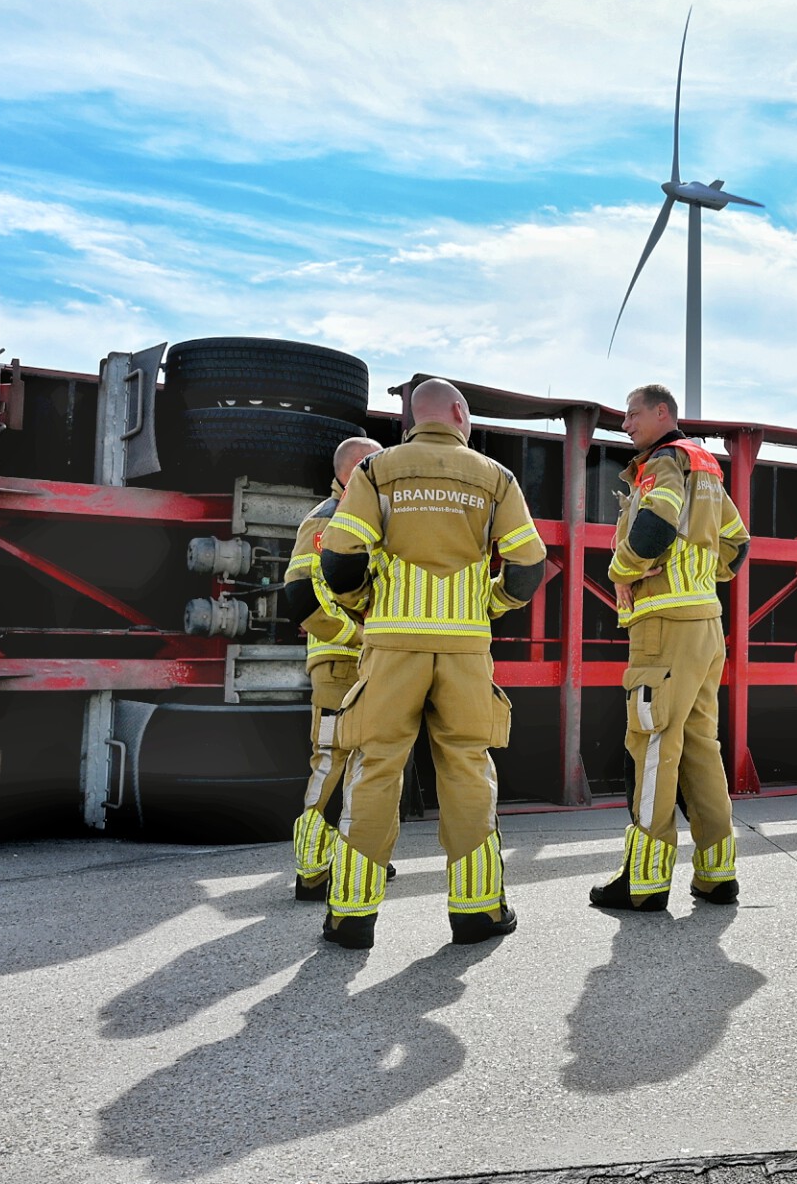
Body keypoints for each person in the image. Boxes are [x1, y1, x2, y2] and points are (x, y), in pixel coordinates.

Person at [315, 379, 548, 949]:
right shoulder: (497, 478)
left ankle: (351, 916)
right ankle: (476, 912)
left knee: (375, 769)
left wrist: (367, 602)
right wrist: (488, 602)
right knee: (468, 769)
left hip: (391, 646)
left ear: (411, 421)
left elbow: (340, 559)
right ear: (461, 415)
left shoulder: (377, 472)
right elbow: (527, 566)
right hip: (466, 650)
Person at [590, 383, 750, 912]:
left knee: (653, 743)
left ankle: (645, 881)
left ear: (663, 413)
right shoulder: (705, 467)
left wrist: (623, 572)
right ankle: (716, 874)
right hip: (707, 623)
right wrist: (701, 574)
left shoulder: (662, 464)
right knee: (702, 745)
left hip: (663, 626)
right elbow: (738, 541)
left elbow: (654, 523)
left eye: (632, 414)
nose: (625, 425)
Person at [284, 435, 383, 901]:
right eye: (376, 463)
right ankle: (312, 871)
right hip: (342, 664)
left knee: (365, 765)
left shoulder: (367, 518)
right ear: (357, 468)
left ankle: (348, 860)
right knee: (330, 764)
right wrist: (362, 639)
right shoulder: (327, 519)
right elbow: (305, 598)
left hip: (371, 664)